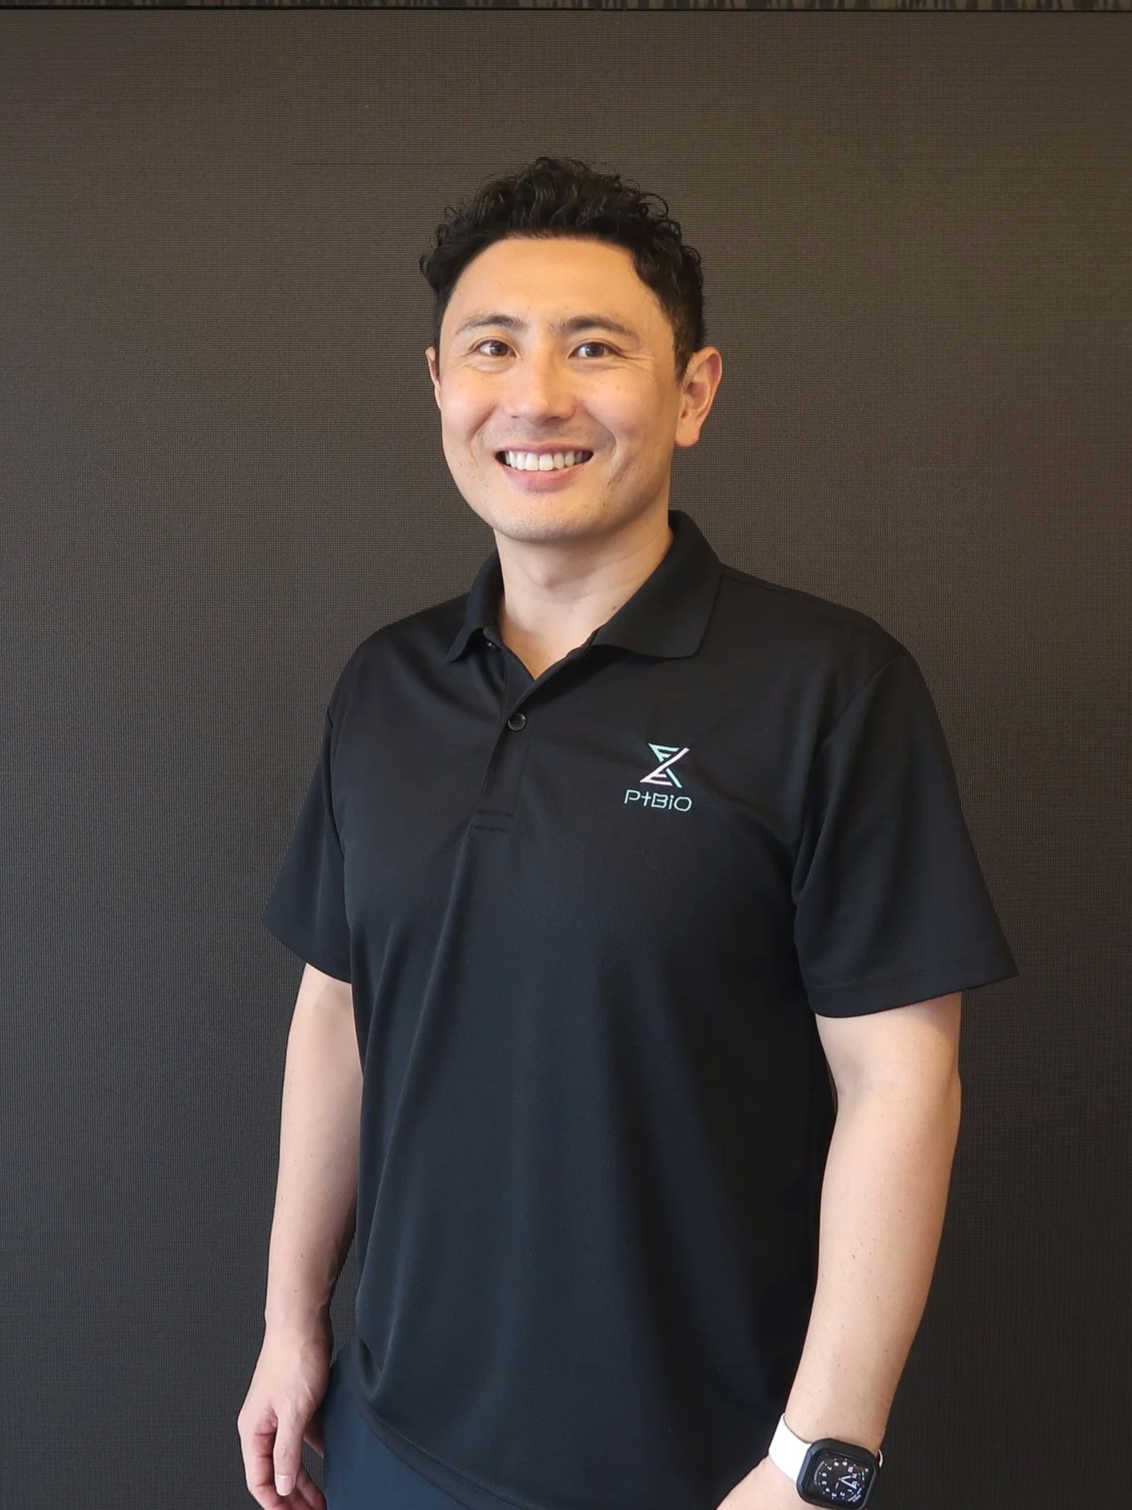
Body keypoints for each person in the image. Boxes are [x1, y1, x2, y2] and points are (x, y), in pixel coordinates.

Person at [237, 157, 1019, 1510]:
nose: (536, 396)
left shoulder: (828, 687)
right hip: (391, 1446)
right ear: (440, 383)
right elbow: (336, 1009)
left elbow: (904, 1086)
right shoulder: (384, 685)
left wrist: (819, 1460)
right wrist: (291, 1322)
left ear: (693, 389)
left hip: (706, 1472)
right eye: (494, 348)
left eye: (594, 347)